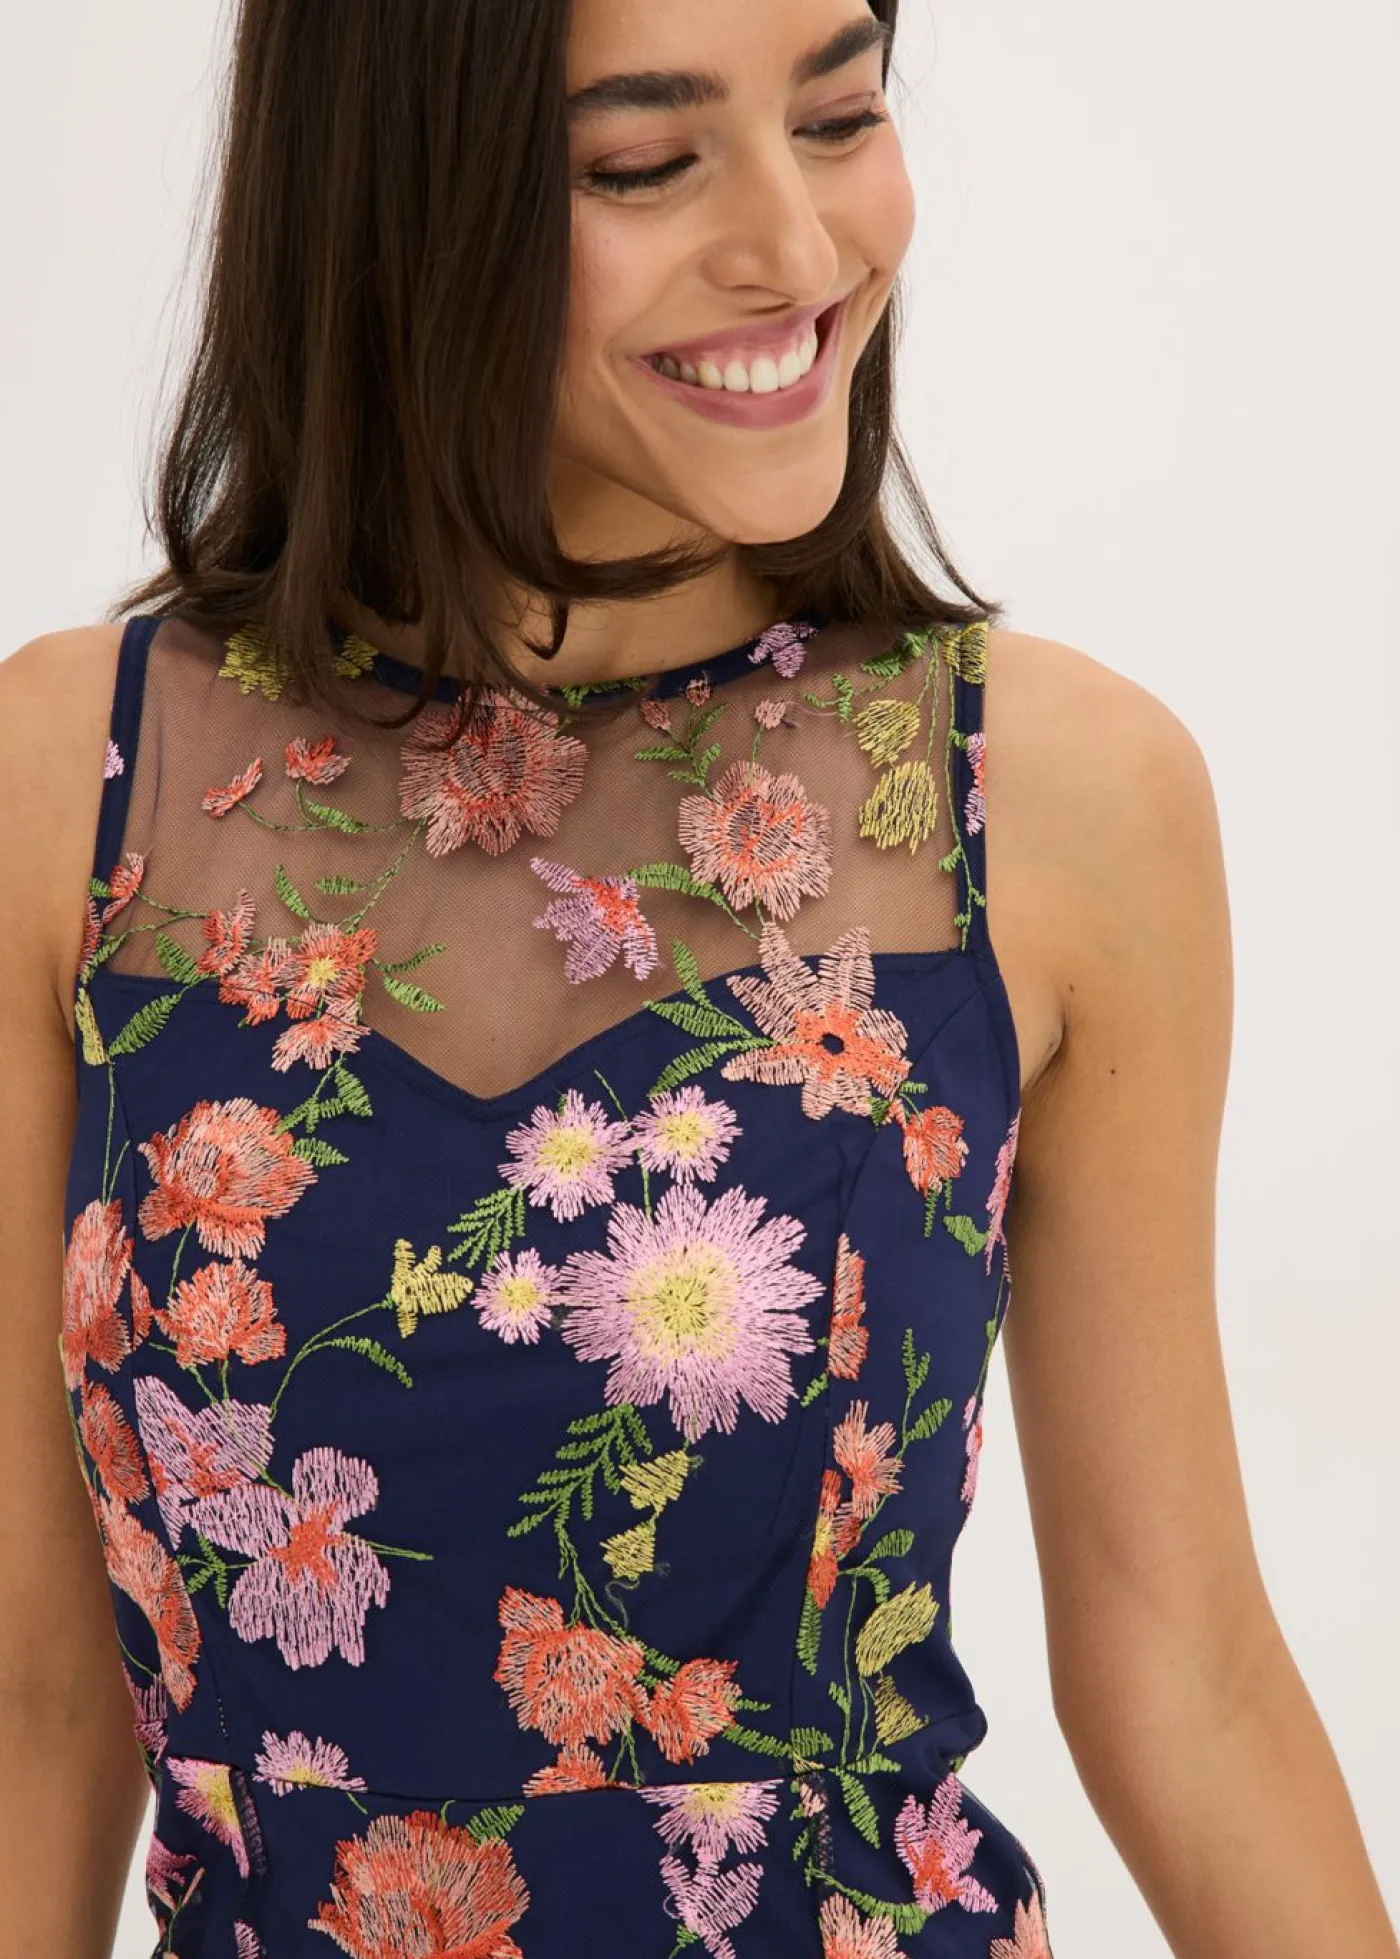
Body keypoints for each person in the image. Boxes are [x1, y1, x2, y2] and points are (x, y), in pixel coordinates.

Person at [1, 1, 1394, 1954]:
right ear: (396, 189)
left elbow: (1193, 1677)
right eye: (645, 164)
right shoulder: (67, 785)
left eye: (839, 115)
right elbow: (36, 1703)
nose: (801, 250)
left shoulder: (1060, 800)